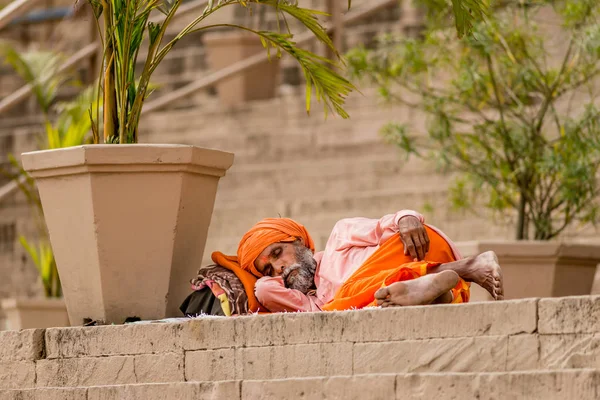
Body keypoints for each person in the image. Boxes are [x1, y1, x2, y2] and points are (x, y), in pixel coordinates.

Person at [211, 210, 503, 313]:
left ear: (299, 242)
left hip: (418, 249)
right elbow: (263, 291)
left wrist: (408, 219)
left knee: (346, 301)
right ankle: (435, 293)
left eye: (277, 253)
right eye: (268, 269)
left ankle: (468, 268)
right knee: (344, 306)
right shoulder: (314, 302)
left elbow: (387, 225)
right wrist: (258, 277)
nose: (279, 268)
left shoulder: (340, 235)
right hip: (401, 287)